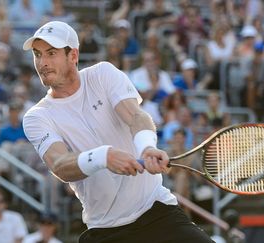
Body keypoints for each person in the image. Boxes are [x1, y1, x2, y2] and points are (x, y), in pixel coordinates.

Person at [22, 21, 214, 242]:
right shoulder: (37, 116)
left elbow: (135, 116)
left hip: (157, 212)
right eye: (37, 55)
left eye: (51, 53)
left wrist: (147, 147)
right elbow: (60, 165)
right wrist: (104, 156)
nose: (42, 63)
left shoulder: (103, 74)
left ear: (73, 56)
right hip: (105, 230)